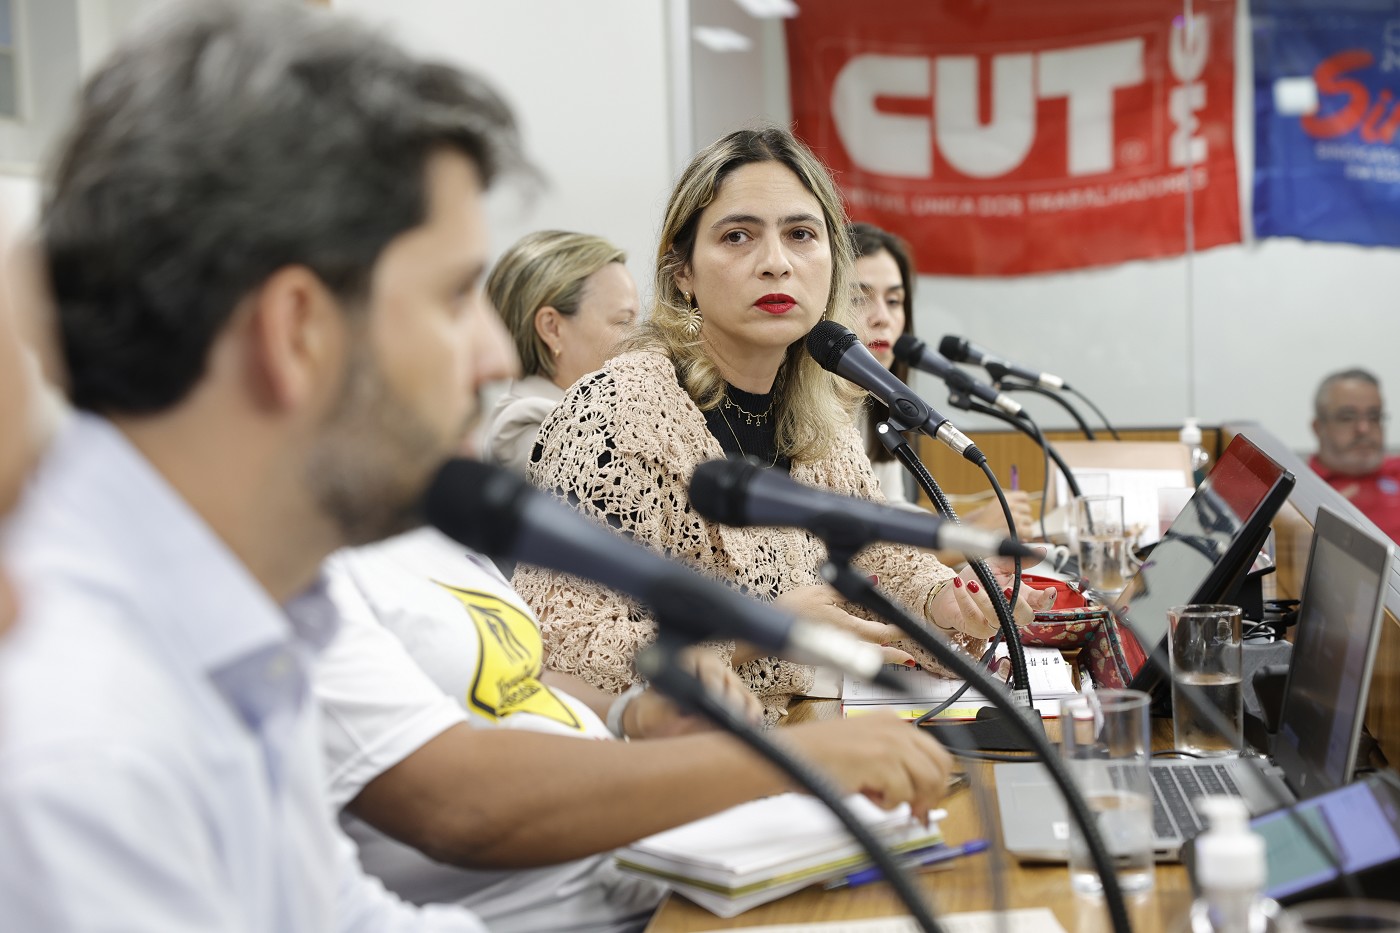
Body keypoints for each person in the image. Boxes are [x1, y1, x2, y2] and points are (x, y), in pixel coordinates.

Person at [0, 2, 526, 929]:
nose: (497, 358)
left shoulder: (230, 615)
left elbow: (337, 916)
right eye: (453, 298)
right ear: (297, 332)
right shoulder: (86, 740)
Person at [514, 127, 1053, 719]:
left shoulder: (818, 415)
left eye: (800, 235)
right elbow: (564, 649)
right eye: (738, 236)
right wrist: (760, 626)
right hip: (680, 758)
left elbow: (874, 556)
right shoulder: (615, 416)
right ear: (682, 271)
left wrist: (943, 598)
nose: (776, 264)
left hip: (799, 727)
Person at [309, 518, 956, 932]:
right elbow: (458, 806)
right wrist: (791, 757)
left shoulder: (422, 536)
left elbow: (515, 679)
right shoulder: (308, 577)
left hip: (665, 878)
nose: (490, 361)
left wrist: (635, 714)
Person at [849, 221, 1033, 538]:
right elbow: (861, 544)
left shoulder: (873, 404)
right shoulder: (809, 415)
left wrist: (965, 524)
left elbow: (890, 506)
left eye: (894, 302)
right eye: (858, 298)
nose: (883, 318)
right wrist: (970, 534)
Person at [483, 230, 639, 473]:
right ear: (552, 328)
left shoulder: (600, 413)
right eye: (623, 321)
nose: (639, 339)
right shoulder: (525, 429)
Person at [1310, 368, 1400, 542]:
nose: (1364, 429)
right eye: (1347, 417)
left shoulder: (1396, 470)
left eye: (1374, 416)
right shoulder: (1298, 494)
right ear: (1318, 427)